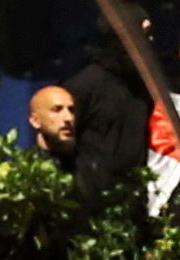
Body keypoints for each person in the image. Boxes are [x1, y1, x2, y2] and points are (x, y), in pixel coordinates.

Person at [60, 20, 158, 220]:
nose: (151, 41)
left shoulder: (143, 87)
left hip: (131, 206)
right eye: (145, 33)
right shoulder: (86, 85)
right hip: (91, 211)